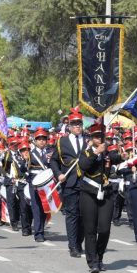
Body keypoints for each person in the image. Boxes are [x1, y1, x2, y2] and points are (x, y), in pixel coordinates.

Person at [77, 122, 116, 272]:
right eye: (96, 137)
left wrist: (122, 155)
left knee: (105, 229)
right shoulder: (86, 152)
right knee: (90, 229)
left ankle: (100, 257)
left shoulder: (108, 152)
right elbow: (84, 165)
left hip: (106, 193)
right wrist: (96, 153)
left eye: (102, 136)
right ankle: (92, 261)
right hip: (89, 193)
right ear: (92, 138)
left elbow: (116, 158)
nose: (100, 139)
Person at [52, 108, 85, 257]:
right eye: (75, 124)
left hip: (86, 183)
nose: (77, 126)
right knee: (72, 215)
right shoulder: (62, 141)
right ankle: (73, 245)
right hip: (70, 182)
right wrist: (58, 174)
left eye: (80, 123)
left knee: (84, 216)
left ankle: (79, 242)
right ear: (69, 126)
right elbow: (53, 160)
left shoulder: (88, 140)